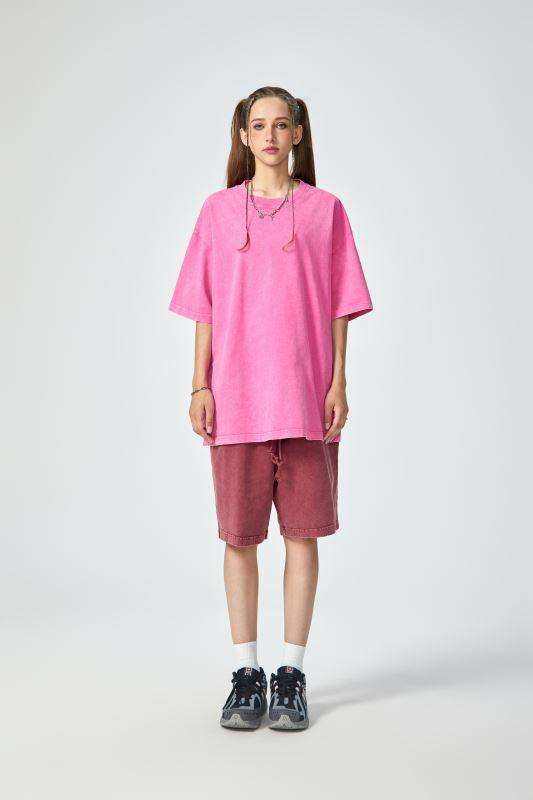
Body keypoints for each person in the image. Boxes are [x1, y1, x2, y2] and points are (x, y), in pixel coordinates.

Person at [168, 86, 373, 731]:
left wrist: (338, 382)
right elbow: (203, 309)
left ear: (298, 134)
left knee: (302, 535)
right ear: (243, 136)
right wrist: (199, 385)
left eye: (282, 125)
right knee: (239, 538)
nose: (270, 137)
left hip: (306, 398)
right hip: (236, 399)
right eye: (258, 126)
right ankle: (246, 673)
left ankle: (291, 673)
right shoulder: (217, 212)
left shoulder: (325, 211)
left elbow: (341, 308)